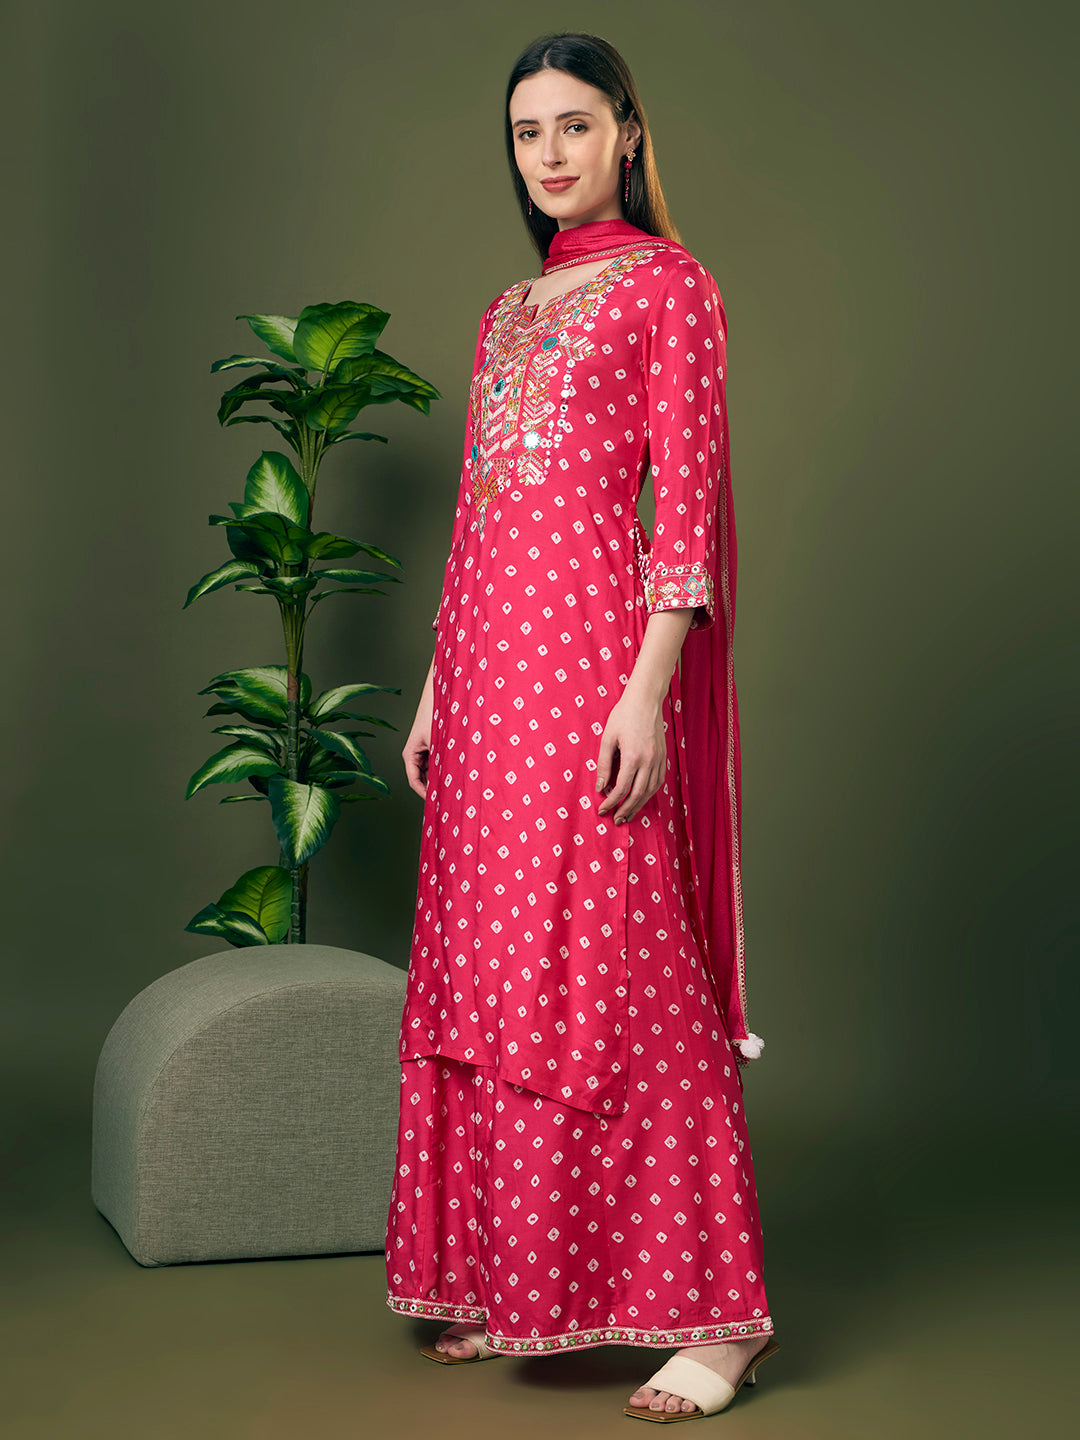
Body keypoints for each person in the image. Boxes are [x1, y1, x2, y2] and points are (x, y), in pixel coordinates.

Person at [385, 31, 779, 1421]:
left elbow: (689, 506)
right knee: (494, 969)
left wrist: (646, 693)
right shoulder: (508, 311)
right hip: (488, 683)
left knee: (616, 973)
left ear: (627, 132)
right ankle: (513, 1280)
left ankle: (720, 1326)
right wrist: (436, 687)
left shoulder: (673, 288)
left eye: (573, 125)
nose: (549, 154)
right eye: (526, 132)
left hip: (592, 672)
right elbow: (480, 513)